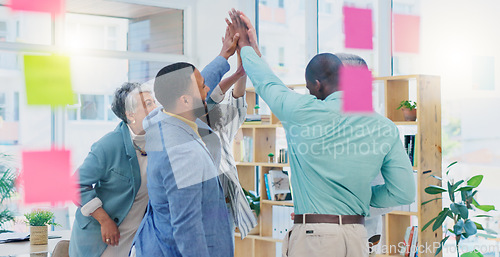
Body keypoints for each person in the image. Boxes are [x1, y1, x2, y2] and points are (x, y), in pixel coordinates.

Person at [227, 9, 415, 257]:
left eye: (309, 88)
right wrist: (358, 196)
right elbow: (403, 192)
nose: (309, 93)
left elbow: (268, 83)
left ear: (316, 85)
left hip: (315, 239)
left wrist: (246, 46)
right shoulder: (384, 125)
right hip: (358, 237)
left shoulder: (302, 111)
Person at [69, 82, 157, 257]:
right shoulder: (109, 145)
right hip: (100, 240)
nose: (156, 108)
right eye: (148, 104)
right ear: (130, 114)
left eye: (154, 101)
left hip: (133, 241)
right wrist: (104, 220)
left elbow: (190, 112)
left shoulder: (159, 140)